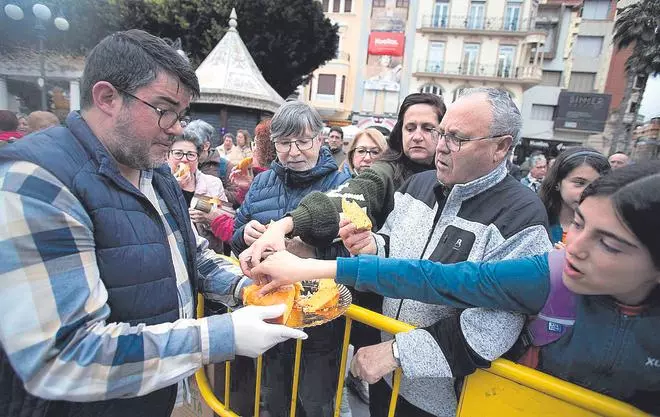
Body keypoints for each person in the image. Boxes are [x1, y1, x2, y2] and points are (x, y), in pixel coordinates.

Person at [0, 30, 305, 417]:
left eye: (182, 115)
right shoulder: (38, 182)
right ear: (107, 97)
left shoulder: (156, 172)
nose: (178, 128)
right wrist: (221, 336)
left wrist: (248, 288)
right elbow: (65, 355)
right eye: (164, 110)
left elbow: (194, 257)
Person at [248, 161, 660, 415]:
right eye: (579, 224)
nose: (575, 247)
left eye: (609, 242)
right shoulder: (549, 274)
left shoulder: (519, 211)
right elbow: (431, 278)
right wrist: (311, 267)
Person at [249, 87, 552, 417]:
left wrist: (398, 352)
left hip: (448, 400)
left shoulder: (522, 217)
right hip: (387, 381)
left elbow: (492, 327)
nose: (441, 146)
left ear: (501, 147)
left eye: (457, 138)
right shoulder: (419, 185)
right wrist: (370, 245)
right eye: (443, 133)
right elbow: (392, 246)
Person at [231, 100, 350, 417]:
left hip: (320, 316)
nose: (294, 151)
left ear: (321, 140)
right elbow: (236, 231)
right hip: (271, 309)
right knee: (272, 397)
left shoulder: (342, 185)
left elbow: (353, 252)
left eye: (303, 142)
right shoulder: (262, 182)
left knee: (315, 402)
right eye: (284, 143)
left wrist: (310, 253)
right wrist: (243, 235)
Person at [240, 93, 446, 268]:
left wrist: (305, 250)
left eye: (427, 128)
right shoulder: (385, 171)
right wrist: (250, 234)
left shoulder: (457, 179)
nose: (417, 136)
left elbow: (351, 250)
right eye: (410, 128)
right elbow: (356, 193)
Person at [168, 128, 232, 254]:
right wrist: (173, 186)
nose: (184, 159)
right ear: (168, 156)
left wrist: (210, 218)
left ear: (198, 159)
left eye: (191, 155)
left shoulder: (213, 184)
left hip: (208, 257)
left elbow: (229, 218)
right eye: (178, 153)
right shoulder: (157, 184)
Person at [539, 147, 610, 244]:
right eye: (580, 183)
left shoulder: (610, 231)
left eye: (597, 184)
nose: (587, 191)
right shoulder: (536, 222)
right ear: (557, 183)